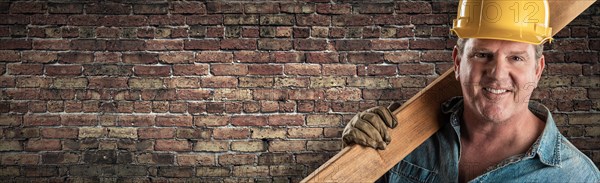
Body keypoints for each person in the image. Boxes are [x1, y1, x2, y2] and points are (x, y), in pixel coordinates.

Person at [341, 0, 600, 182]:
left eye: (516, 58)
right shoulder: (404, 139)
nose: (497, 74)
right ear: (457, 62)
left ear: (538, 69)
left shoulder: (576, 177)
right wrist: (355, 159)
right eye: (482, 54)